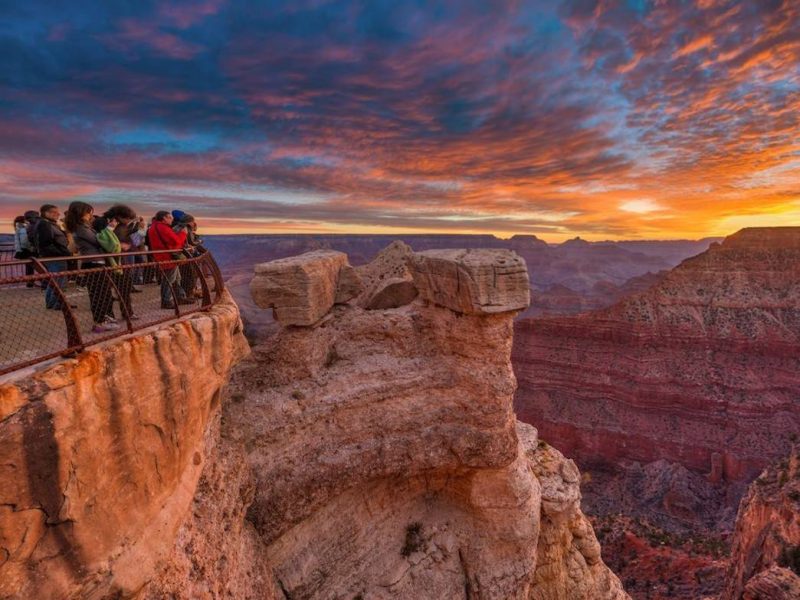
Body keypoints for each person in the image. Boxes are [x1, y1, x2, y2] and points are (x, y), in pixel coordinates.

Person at [64, 201, 120, 333]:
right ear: (81, 212)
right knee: (98, 294)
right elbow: (98, 241)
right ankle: (100, 321)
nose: (90, 215)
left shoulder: (84, 227)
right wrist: (109, 229)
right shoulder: (81, 228)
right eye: (89, 212)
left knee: (104, 292)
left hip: (97, 261)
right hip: (93, 262)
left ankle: (106, 317)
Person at [147, 211, 195, 309]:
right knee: (169, 280)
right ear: (164, 218)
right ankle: (166, 301)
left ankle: (180, 297)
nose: (171, 219)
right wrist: (183, 234)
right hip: (167, 257)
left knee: (176, 278)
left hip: (162, 256)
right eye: (169, 217)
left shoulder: (154, 227)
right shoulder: (163, 228)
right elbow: (176, 241)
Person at [33, 204, 72, 310]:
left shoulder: (47, 224)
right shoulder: (45, 224)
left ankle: (51, 303)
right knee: (60, 281)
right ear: (46, 213)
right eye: (54, 212)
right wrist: (62, 253)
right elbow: (46, 243)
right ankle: (58, 304)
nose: (58, 214)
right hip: (55, 257)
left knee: (54, 281)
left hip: (53, 257)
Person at [13, 216, 36, 284]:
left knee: (30, 267)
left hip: (26, 250)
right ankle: (31, 282)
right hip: (27, 250)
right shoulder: (22, 229)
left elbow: (17, 241)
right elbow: (21, 241)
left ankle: (30, 282)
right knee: (32, 266)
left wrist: (18, 250)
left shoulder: (20, 228)